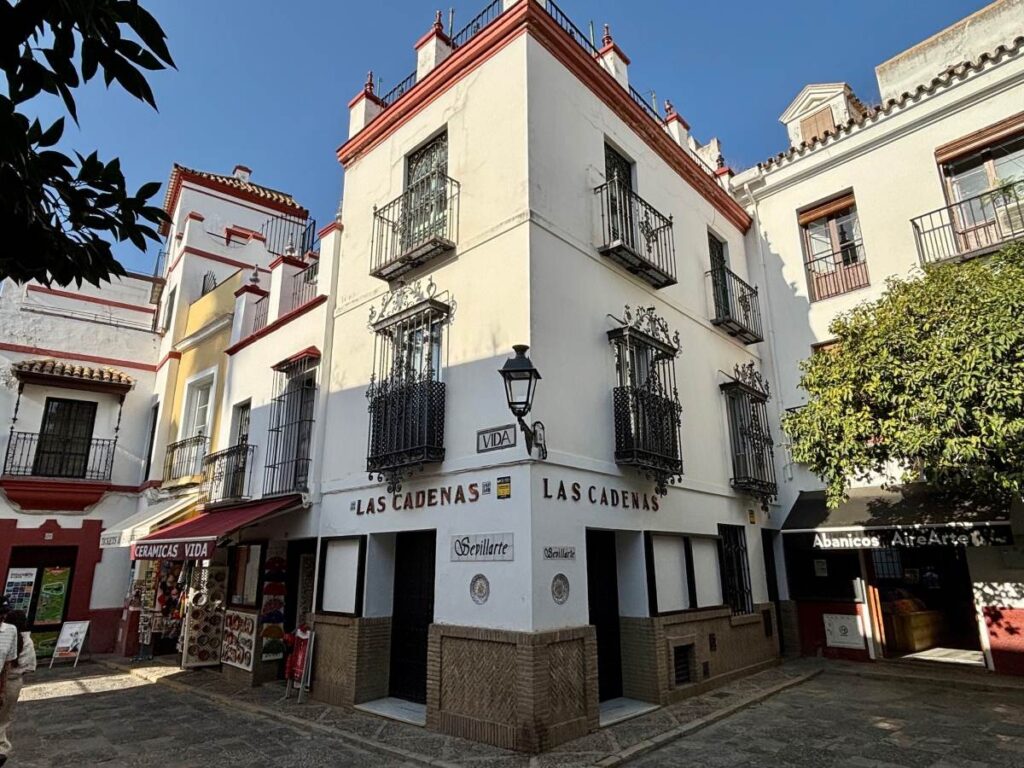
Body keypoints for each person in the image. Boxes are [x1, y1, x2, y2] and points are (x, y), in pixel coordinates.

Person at [0, 598, 20, 767]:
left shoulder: (10, 631)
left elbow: (7, 663)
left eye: (4, 614)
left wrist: (2, 690)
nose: (3, 617)